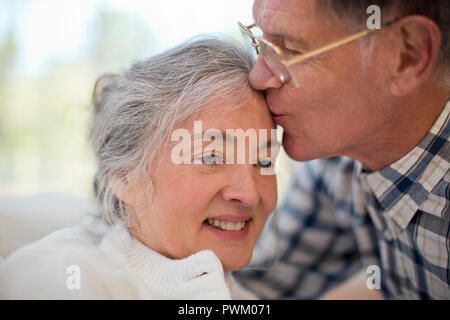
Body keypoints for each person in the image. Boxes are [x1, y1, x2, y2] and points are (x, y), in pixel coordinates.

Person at [0, 35, 280, 299]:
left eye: (264, 161)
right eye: (211, 157)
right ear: (124, 176)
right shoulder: (59, 279)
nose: (249, 193)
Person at [234, 0, 449, 299]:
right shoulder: (339, 159)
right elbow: (257, 289)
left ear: (407, 55)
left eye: (290, 50)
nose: (257, 77)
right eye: (259, 40)